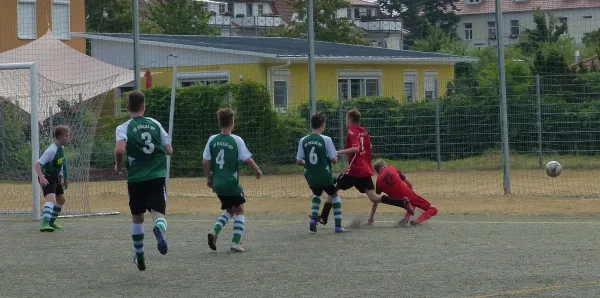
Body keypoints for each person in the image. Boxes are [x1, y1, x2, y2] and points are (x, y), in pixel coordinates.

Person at [318, 109, 412, 225]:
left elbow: (356, 148)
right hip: (365, 170)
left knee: (333, 188)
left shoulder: (351, 132)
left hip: (354, 171)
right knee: (374, 197)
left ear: (350, 119)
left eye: (346, 119)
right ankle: (401, 202)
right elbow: (369, 146)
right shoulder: (364, 131)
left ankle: (324, 217)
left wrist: (337, 152)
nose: (345, 121)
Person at [114, 91, 173, 271]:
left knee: (137, 218)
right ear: (144, 107)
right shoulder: (155, 124)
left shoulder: (123, 127)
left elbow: (119, 150)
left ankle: (139, 255)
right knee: (159, 214)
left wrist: (118, 166)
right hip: (156, 175)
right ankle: (158, 230)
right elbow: (169, 150)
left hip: (136, 178)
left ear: (127, 108)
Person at [204, 108, 262, 253]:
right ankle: (235, 243)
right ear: (232, 122)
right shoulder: (236, 140)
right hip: (231, 183)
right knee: (240, 209)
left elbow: (205, 162)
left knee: (230, 209)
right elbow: (247, 159)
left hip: (218, 183)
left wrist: (209, 179)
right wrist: (257, 169)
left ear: (219, 122)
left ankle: (214, 231)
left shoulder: (212, 139)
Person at [297, 112, 345, 233]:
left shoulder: (303, 140)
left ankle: (313, 220)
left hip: (311, 176)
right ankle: (338, 226)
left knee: (317, 194)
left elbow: (299, 161)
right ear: (323, 125)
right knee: (334, 195)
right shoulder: (326, 140)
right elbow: (334, 160)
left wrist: (309, 164)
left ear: (312, 124)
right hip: (325, 175)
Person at [374, 160, 438, 226]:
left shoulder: (378, 181)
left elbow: (375, 200)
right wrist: (411, 193)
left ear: (377, 171)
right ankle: (418, 220)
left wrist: (370, 218)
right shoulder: (391, 168)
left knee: (411, 202)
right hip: (406, 195)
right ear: (384, 166)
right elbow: (409, 183)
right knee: (433, 209)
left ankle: (407, 217)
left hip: (397, 201)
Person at [35, 125, 71, 232]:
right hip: (47, 177)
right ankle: (45, 224)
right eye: (66, 136)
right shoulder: (51, 150)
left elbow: (56, 163)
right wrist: (41, 178)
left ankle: (51, 222)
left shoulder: (61, 148)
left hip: (55, 177)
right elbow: (37, 164)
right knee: (51, 199)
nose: (68, 138)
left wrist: (59, 174)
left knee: (61, 200)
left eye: (69, 136)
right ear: (59, 137)